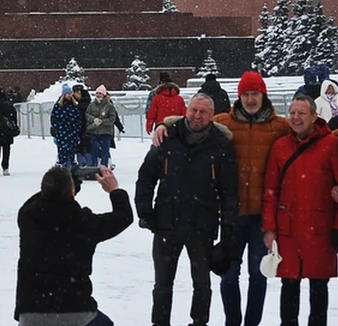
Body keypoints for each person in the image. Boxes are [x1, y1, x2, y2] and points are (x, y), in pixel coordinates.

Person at [152, 70, 289, 326]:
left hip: (261, 214)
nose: (250, 99)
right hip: (233, 214)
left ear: (263, 95)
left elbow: (308, 131)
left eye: (255, 94)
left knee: (258, 276)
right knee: (228, 275)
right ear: (239, 96)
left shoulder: (279, 125)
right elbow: (192, 120)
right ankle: (232, 322)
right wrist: (164, 123)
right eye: (246, 94)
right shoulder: (225, 122)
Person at [136, 92, 239, 326]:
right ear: (186, 110)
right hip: (166, 221)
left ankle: (199, 322)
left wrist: (228, 231)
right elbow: (146, 177)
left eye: (203, 112)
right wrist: (145, 211)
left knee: (202, 284)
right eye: (194, 110)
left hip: (201, 223)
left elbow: (229, 192)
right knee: (162, 284)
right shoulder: (168, 137)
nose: (197, 116)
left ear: (213, 116)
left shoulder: (221, 146)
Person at [261, 94, 338, 326]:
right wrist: (269, 228)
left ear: (314, 116)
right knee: (289, 285)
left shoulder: (331, 145)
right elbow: (270, 190)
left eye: (301, 113)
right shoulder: (280, 146)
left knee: (319, 286)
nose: (296, 118)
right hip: (288, 228)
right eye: (292, 113)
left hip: (320, 228)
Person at [15, 165, 133, 326]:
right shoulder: (84, 222)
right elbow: (124, 217)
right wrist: (114, 190)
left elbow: (40, 198)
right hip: (76, 311)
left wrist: (67, 182)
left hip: (31, 312)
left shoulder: (28, 216)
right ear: (71, 192)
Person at [49, 84, 83, 169]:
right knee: (63, 153)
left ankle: (71, 170)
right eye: (67, 93)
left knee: (71, 153)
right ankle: (63, 169)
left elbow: (78, 118)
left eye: (70, 93)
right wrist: (59, 128)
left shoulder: (74, 105)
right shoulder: (59, 106)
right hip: (62, 133)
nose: (69, 95)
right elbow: (54, 119)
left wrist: (76, 128)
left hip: (72, 133)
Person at [84, 85, 118, 169]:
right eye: (97, 93)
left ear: (104, 94)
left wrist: (102, 122)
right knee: (94, 150)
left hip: (106, 132)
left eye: (100, 93)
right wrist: (94, 120)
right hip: (94, 131)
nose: (98, 95)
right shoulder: (91, 105)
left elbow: (112, 118)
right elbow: (87, 114)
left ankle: (104, 168)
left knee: (105, 151)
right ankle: (93, 168)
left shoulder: (109, 106)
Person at [73, 84, 94, 166]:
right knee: (78, 147)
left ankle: (88, 164)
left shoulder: (86, 101)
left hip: (86, 128)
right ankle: (81, 163)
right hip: (76, 128)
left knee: (87, 147)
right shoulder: (71, 101)